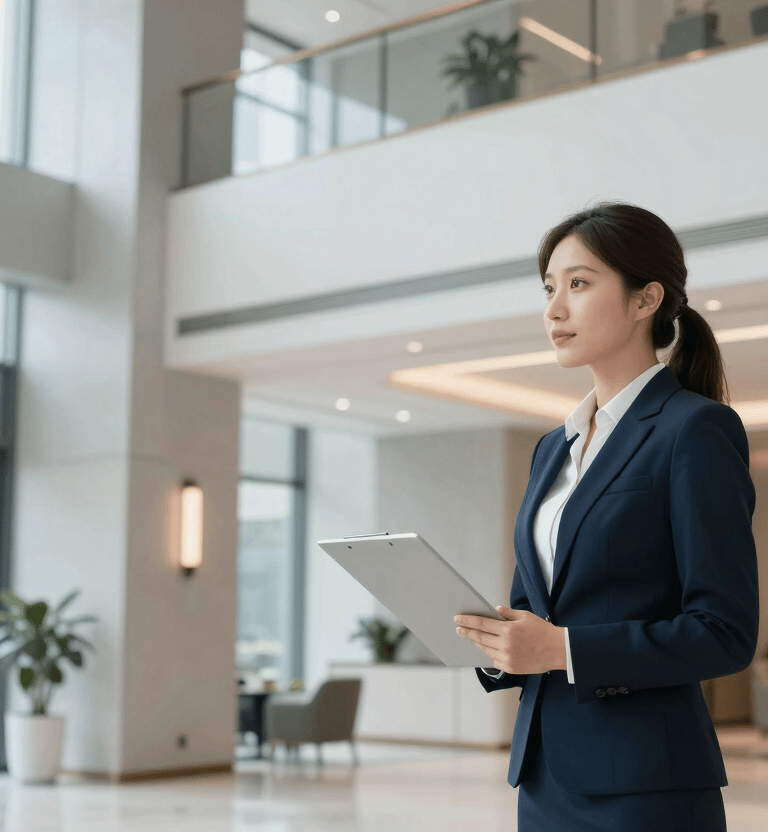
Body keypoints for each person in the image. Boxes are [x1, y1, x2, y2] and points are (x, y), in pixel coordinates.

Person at [454, 201, 758, 831]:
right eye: (549, 289)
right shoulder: (553, 448)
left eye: (579, 284)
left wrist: (563, 649)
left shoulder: (694, 430)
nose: (554, 309)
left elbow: (723, 632)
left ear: (646, 299)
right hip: (543, 779)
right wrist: (501, 645)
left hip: (645, 789)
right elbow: (538, 609)